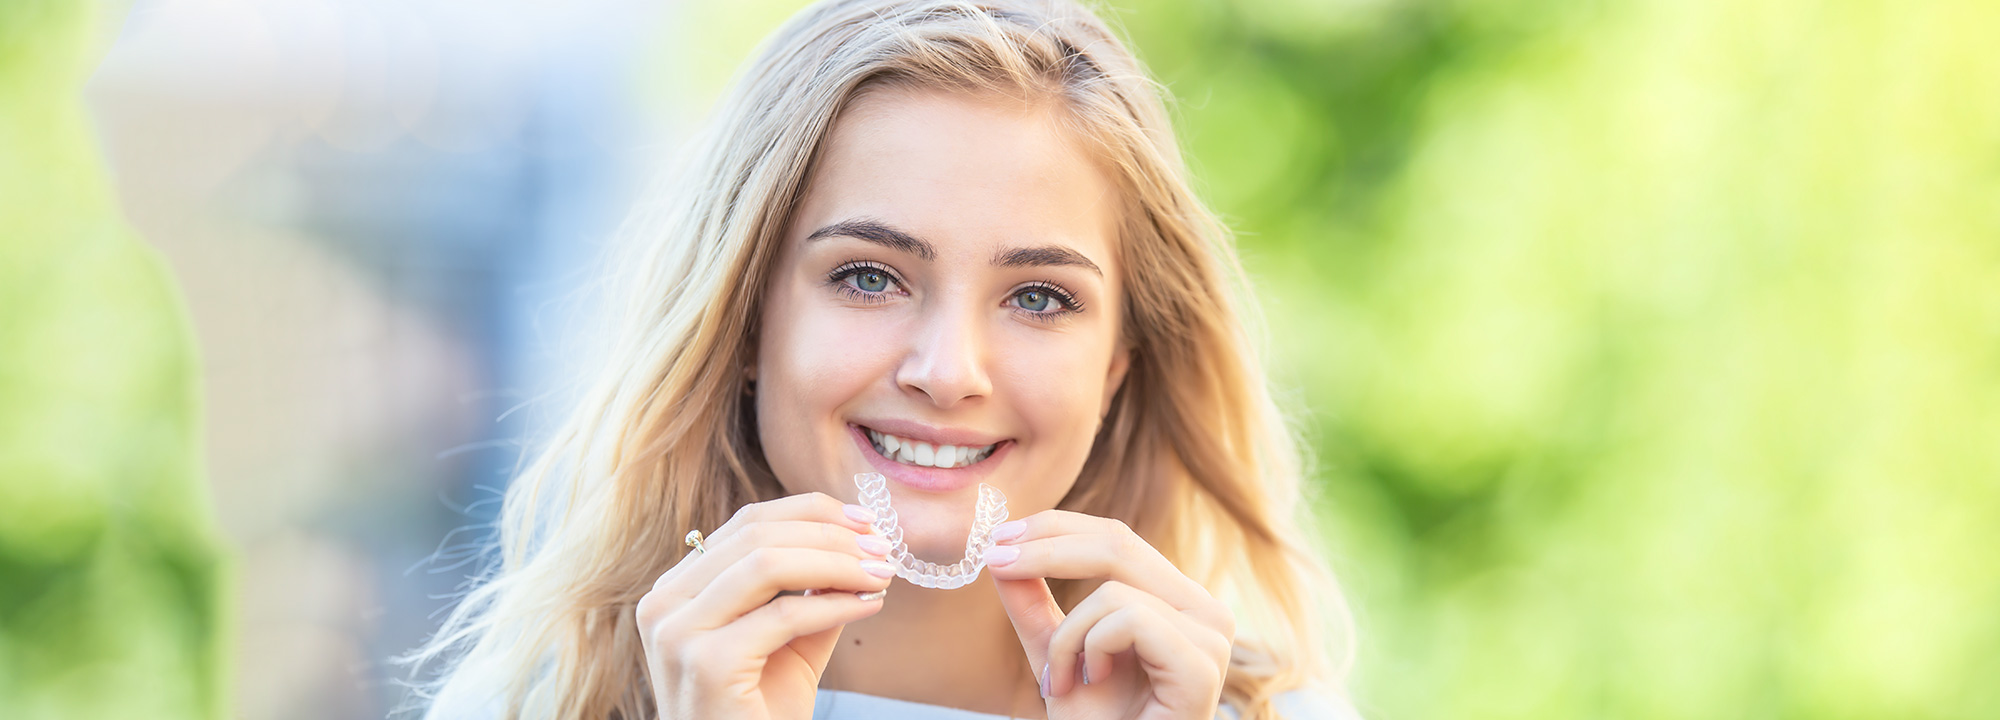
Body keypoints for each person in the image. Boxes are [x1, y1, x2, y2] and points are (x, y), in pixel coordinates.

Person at [404, 1, 1361, 718]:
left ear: (1118, 366)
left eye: (1038, 297)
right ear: (744, 323)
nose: (948, 373)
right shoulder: (526, 701)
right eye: (869, 277)